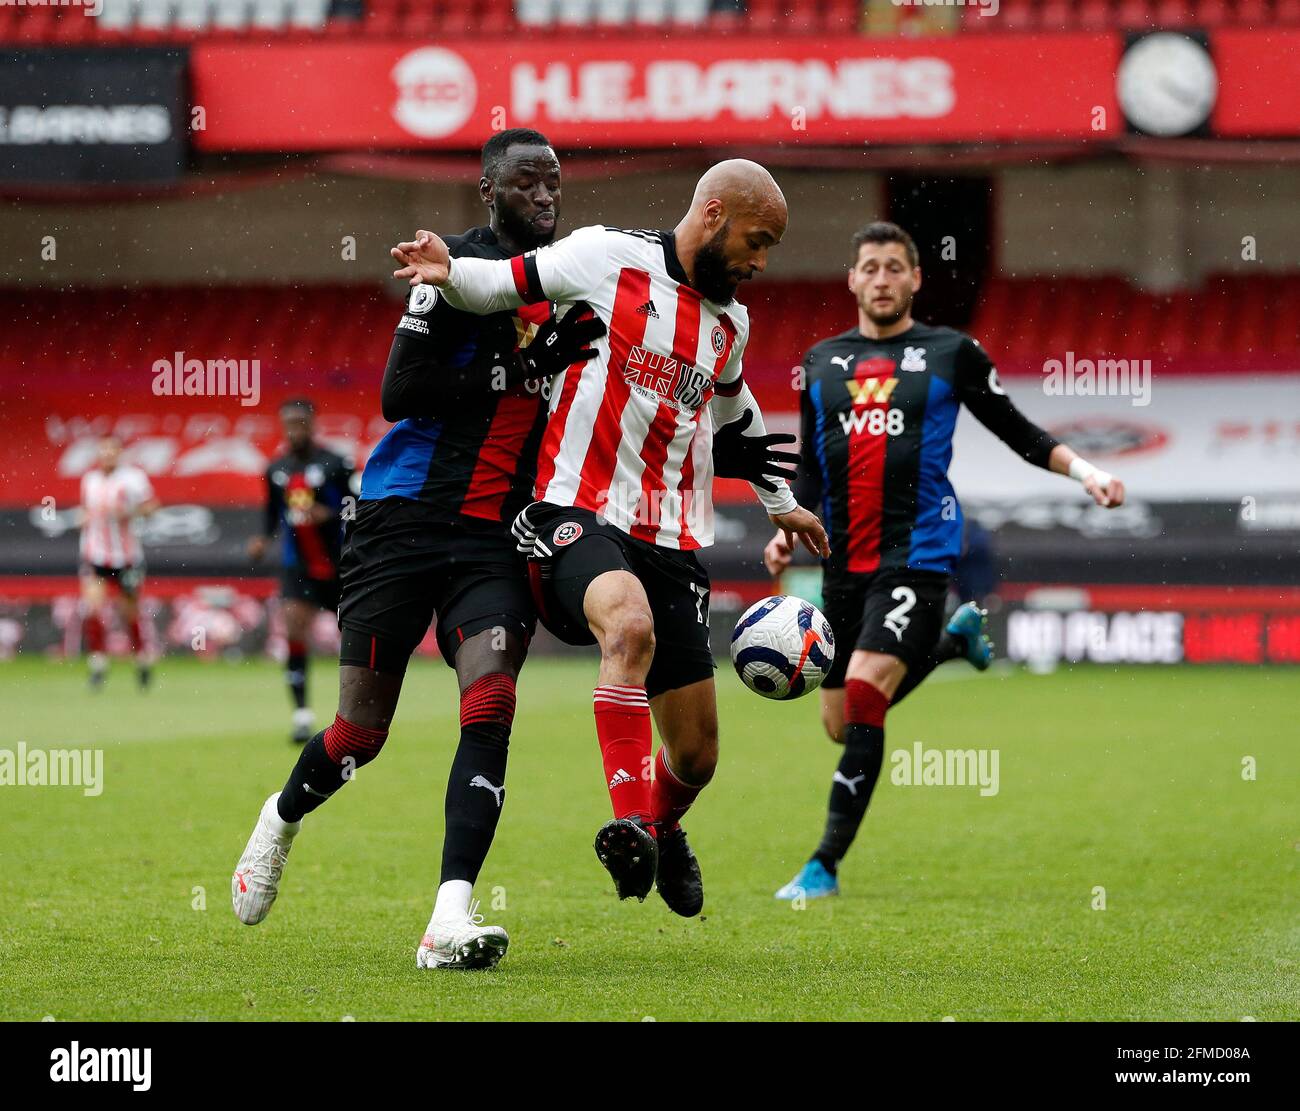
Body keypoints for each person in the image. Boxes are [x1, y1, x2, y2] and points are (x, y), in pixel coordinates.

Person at [391, 158, 828, 918]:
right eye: (758, 242)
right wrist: (447, 269)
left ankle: (658, 825)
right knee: (627, 624)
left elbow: (734, 409)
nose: (762, 263)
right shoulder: (604, 256)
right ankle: (630, 820)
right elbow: (500, 285)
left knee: (696, 755)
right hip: (575, 510)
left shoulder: (730, 323)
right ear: (715, 214)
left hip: (673, 535)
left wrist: (779, 502)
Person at [232, 129, 604, 971]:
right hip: (400, 521)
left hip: (493, 537)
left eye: (553, 184)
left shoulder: (575, 286)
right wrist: (518, 369)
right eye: (525, 184)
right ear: (488, 190)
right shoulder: (456, 269)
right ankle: (280, 819)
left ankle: (448, 916)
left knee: (492, 704)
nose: (543, 199)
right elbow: (401, 391)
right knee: (362, 732)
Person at [766, 221, 1126, 900]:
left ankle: (823, 865)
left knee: (869, 698)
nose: (880, 278)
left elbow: (1016, 429)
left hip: (918, 553)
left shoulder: (949, 352)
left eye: (894, 267)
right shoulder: (818, 363)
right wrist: (788, 525)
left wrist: (1086, 472)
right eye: (869, 267)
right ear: (851, 278)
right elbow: (812, 468)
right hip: (844, 562)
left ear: (915, 278)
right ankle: (953, 643)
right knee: (840, 722)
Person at [248, 399, 355, 743]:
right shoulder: (276, 468)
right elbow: (271, 515)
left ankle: (357, 713)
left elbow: (360, 506)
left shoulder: (336, 463)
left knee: (354, 637)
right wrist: (263, 540)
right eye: (288, 423)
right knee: (294, 626)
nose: (294, 429)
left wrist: (332, 514)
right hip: (298, 567)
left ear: (312, 423)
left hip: (341, 565)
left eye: (300, 422)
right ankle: (301, 716)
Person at [77, 434, 160, 690]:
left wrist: (130, 512)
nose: (108, 455)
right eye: (104, 451)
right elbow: (85, 511)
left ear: (120, 453)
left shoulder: (133, 479)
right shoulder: (89, 480)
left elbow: (152, 507)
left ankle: (142, 661)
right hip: (95, 555)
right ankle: (98, 664)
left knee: (128, 613)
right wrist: (84, 518)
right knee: (92, 609)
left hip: (127, 558)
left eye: (113, 451)